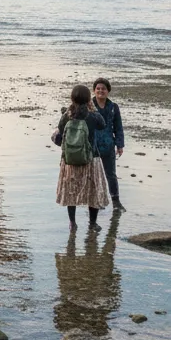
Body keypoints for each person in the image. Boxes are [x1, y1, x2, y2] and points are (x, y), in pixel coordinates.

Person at [53, 83, 109, 232]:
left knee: (71, 192)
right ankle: (92, 223)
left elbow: (59, 129)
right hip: (91, 159)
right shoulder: (92, 115)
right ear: (88, 99)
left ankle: (72, 223)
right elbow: (102, 125)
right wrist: (94, 108)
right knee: (93, 192)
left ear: (72, 98)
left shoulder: (67, 115)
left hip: (70, 161)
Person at [92, 77, 126, 212]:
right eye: (98, 89)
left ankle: (116, 202)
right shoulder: (89, 105)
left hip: (108, 145)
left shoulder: (113, 107)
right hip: (92, 146)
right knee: (94, 175)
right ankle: (95, 202)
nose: (101, 91)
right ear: (94, 91)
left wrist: (120, 145)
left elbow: (118, 127)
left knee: (111, 175)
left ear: (108, 91)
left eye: (103, 89)